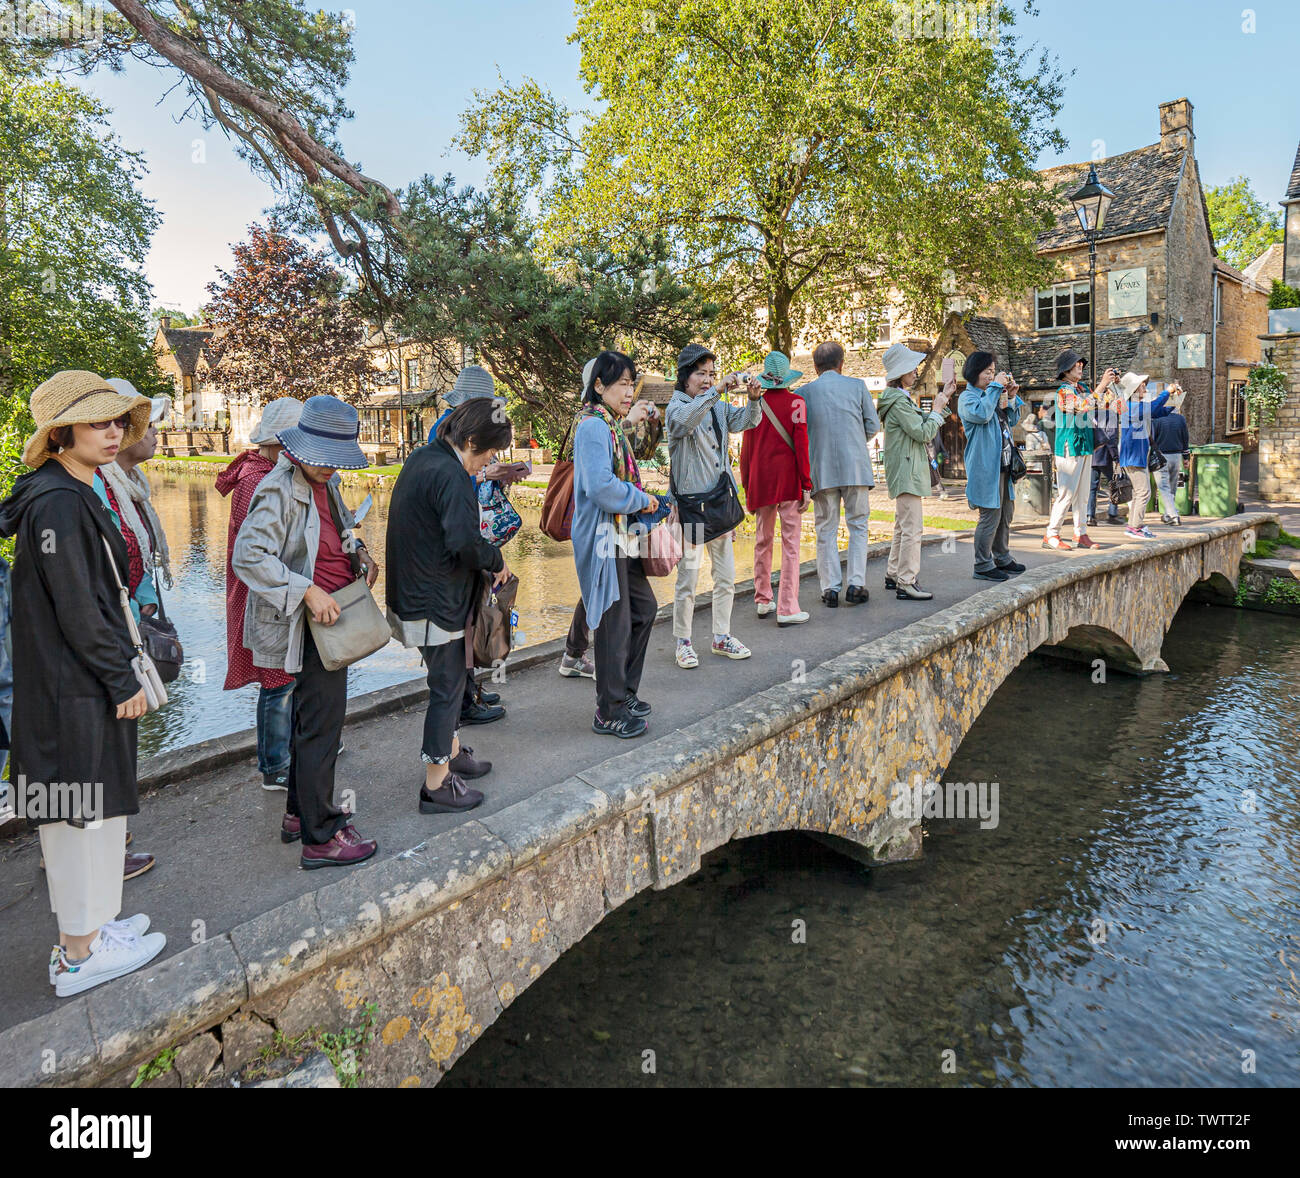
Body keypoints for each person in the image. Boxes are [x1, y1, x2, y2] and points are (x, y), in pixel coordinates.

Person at [0, 371, 166, 997]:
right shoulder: (57, 503)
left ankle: (94, 933)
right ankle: (75, 957)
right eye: (98, 420)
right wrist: (120, 677)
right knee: (75, 817)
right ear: (60, 434)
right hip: (71, 691)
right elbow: (77, 605)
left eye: (118, 419)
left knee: (93, 812)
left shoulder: (71, 487)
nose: (114, 429)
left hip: (77, 686)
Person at [232, 395, 380, 868]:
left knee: (309, 722)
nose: (329, 468)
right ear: (299, 447)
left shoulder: (322, 481)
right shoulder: (278, 487)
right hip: (312, 624)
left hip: (333, 618)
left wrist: (359, 553)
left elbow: (337, 531)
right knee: (321, 727)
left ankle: (298, 814)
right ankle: (322, 836)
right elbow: (247, 556)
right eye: (322, 459)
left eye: (335, 460)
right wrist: (307, 591)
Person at [387, 397, 513, 813]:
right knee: (448, 687)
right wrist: (495, 560)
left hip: (411, 595)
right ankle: (436, 784)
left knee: (451, 677)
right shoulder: (454, 476)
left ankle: (453, 751)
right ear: (473, 439)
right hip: (436, 602)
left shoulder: (423, 459)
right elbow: (462, 542)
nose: (489, 462)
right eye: (490, 452)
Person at [571, 350, 663, 736]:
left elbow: (633, 457)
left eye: (631, 383)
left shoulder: (609, 424)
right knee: (613, 623)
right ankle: (607, 711)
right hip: (603, 536)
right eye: (622, 384)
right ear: (598, 386)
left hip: (620, 535)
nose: (629, 391)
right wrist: (642, 498)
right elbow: (600, 487)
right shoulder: (593, 426)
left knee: (642, 610)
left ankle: (622, 692)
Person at [218, 397, 304, 790]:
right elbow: (258, 552)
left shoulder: (268, 471)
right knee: (277, 680)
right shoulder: (259, 479)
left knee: (292, 674)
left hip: (280, 590)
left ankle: (295, 748)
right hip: (264, 596)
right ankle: (274, 765)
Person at [666, 343, 761, 666]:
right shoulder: (677, 407)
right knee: (688, 580)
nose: (707, 380)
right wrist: (716, 391)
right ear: (685, 377)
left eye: (711, 374)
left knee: (725, 576)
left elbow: (745, 422)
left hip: (719, 501)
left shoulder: (718, 406)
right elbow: (687, 422)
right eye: (700, 374)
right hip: (691, 506)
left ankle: (721, 636)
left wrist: (753, 399)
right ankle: (683, 640)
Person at [428, 366, 509, 725]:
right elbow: (454, 479)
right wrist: (485, 474)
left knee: (472, 619)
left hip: (466, 529)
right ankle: (463, 702)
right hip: (457, 539)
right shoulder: (447, 433)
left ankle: (469, 690)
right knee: (462, 625)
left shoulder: (459, 429)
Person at [798, 340, 882, 608]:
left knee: (826, 529)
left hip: (821, 468)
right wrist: (856, 441)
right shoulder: (857, 386)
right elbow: (873, 425)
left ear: (815, 367)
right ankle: (856, 583)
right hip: (855, 466)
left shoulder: (803, 393)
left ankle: (830, 588)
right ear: (842, 363)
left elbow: (800, 434)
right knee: (858, 525)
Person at [739, 351, 811, 625]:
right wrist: (807, 483)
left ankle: (762, 598)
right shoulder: (797, 403)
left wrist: (747, 487)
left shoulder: (754, 406)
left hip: (761, 481)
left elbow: (746, 452)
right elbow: (802, 447)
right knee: (791, 544)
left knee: (762, 541)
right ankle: (787, 607)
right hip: (789, 481)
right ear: (788, 377)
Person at [878, 342, 952, 600]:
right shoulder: (899, 402)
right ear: (900, 372)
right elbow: (923, 432)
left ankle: (893, 573)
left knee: (902, 525)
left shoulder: (899, 399)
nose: (916, 372)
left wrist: (943, 401)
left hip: (904, 465)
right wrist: (938, 410)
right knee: (912, 528)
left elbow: (923, 422)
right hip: (907, 467)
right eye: (912, 368)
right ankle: (906, 581)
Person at [959, 352, 1026, 582]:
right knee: (990, 514)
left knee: (1006, 512)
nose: (991, 375)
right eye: (987, 371)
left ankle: (1002, 556)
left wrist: (1013, 398)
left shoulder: (993, 395)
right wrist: (996, 386)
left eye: (993, 371)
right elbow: (982, 414)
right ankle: (982, 564)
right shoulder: (968, 399)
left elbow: (1012, 420)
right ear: (974, 372)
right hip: (985, 466)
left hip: (1003, 464)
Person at [1042, 350, 1115, 552]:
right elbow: (1083, 407)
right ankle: (1052, 534)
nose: (1080, 367)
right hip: (1069, 447)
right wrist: (1101, 386)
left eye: (1081, 364)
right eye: (1076, 365)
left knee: (1082, 495)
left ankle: (1080, 533)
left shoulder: (1082, 388)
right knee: (1066, 494)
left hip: (1084, 445)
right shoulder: (1063, 392)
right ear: (1066, 370)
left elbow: (1107, 403)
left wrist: (1110, 385)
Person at [1115, 372, 1173, 540]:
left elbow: (1159, 412)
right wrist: (1167, 391)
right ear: (1134, 389)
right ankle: (1134, 527)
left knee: (1140, 493)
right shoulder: (1132, 406)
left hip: (1135, 456)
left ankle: (1134, 526)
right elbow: (1154, 408)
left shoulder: (1137, 406)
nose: (1144, 387)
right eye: (1141, 385)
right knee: (1144, 492)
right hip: (1133, 456)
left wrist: (1176, 401)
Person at [1152, 382, 1190, 526]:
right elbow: (1185, 439)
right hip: (1176, 457)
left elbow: (1152, 438)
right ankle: (1168, 514)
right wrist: (1186, 458)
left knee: (1163, 487)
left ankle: (1173, 515)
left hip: (1161, 457)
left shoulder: (1157, 419)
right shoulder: (1181, 419)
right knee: (1172, 486)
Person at [1088, 388, 1123, 528]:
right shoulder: (1111, 414)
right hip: (1105, 455)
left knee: (1092, 488)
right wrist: (1115, 457)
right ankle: (1112, 513)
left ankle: (1090, 516)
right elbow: (1111, 437)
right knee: (1114, 484)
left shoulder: (1090, 413)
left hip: (1091, 455)